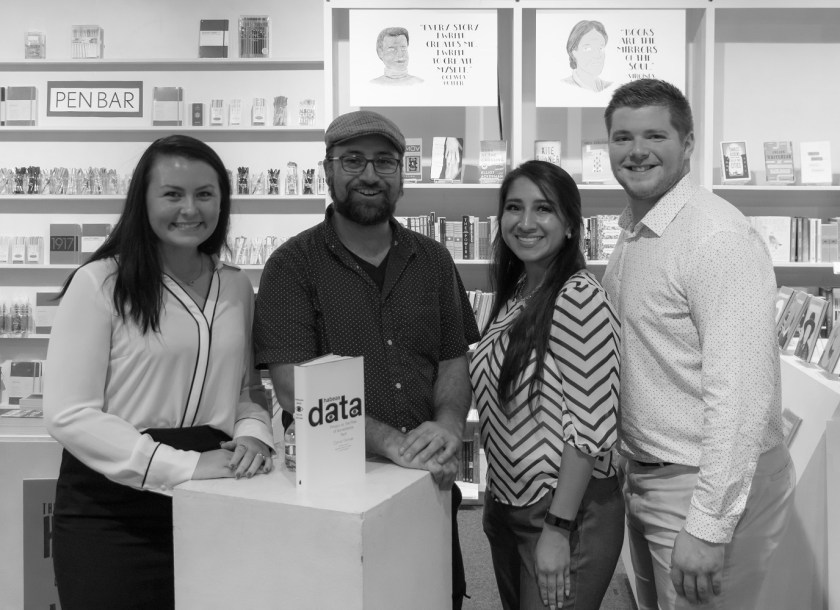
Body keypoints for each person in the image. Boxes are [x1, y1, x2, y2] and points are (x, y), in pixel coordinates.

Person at [253, 110, 480, 609]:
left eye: (384, 161)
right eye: (353, 160)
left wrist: (446, 428)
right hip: (333, 494)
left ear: (402, 173)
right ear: (328, 170)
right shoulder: (292, 265)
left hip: (426, 482)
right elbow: (292, 386)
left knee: (434, 596)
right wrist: (393, 443)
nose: (370, 175)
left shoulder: (433, 260)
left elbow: (452, 358)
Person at [43, 135, 274, 610]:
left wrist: (254, 436)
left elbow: (245, 390)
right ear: (142, 201)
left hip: (214, 500)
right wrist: (184, 466)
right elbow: (68, 414)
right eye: (172, 194)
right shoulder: (100, 283)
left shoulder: (235, 286)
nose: (190, 209)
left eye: (204, 194)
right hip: (112, 510)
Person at [601, 78, 795, 610]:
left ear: (687, 144)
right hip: (649, 476)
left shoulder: (716, 237)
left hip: (703, 487)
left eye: (655, 135)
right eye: (622, 137)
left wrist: (709, 524)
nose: (637, 151)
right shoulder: (637, 231)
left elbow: (741, 393)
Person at [470, 160, 624, 610]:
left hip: (564, 513)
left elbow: (591, 428)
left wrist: (557, 528)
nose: (526, 222)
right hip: (510, 504)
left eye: (544, 209)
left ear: (571, 225)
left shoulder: (578, 297)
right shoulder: (519, 291)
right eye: (514, 207)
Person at [561, 20, 612, 93]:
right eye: (588, 48)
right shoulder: (564, 85)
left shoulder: (608, 86)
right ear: (574, 52)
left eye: (600, 48)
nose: (597, 55)